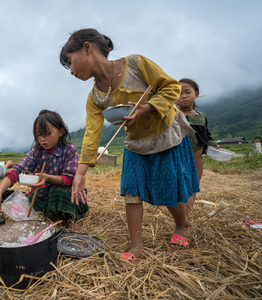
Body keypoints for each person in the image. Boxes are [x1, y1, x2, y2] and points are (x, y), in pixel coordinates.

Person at [59, 28, 199, 262]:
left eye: (70, 62)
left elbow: (171, 87)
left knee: (168, 187)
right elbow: (92, 134)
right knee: (131, 191)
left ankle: (182, 224)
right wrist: (80, 173)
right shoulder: (95, 97)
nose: (71, 71)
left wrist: (144, 109)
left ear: (87, 47)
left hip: (163, 133)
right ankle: (136, 247)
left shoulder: (135, 63)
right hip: (135, 142)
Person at [0, 109, 89, 225]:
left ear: (61, 132)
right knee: (36, 195)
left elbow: (69, 179)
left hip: (65, 192)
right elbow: (17, 171)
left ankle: (71, 221)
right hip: (45, 193)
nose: (42, 139)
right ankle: (49, 219)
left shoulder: (69, 150)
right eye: (39, 135)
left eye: (47, 134)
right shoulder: (37, 152)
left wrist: (47, 178)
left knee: (60, 192)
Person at [177, 78, 219, 212]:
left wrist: (212, 144)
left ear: (196, 94)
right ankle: (181, 214)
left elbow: (205, 134)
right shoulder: (174, 116)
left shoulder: (201, 116)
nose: (183, 96)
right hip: (180, 159)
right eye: (178, 93)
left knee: (194, 185)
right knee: (181, 185)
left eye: (187, 92)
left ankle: (188, 211)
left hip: (197, 159)